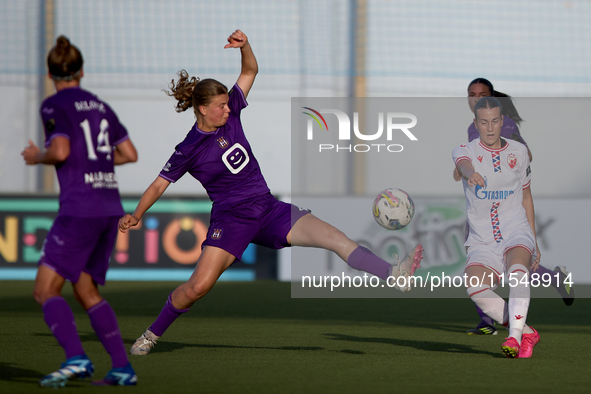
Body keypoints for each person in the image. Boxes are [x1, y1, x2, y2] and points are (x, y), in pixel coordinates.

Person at [118, 30, 424, 356]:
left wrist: (245, 46)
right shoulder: (188, 148)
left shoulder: (231, 113)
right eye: (220, 105)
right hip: (232, 219)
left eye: (226, 104)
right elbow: (158, 184)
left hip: (267, 208)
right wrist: (137, 214)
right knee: (197, 288)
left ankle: (393, 273)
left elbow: (249, 71)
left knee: (335, 238)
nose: (227, 109)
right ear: (203, 109)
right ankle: (152, 334)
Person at [21, 36, 139, 387]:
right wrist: (95, 162)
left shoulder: (53, 105)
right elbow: (129, 153)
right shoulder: (101, 106)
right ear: (82, 71)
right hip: (108, 207)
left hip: (80, 208)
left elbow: (58, 151)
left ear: (50, 73)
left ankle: (75, 358)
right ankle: (122, 368)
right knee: (86, 291)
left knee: (44, 290)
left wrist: (35, 157)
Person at [454, 78, 574, 336]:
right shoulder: (471, 129)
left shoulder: (504, 124)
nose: (475, 98)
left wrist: (503, 163)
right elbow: (466, 158)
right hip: (483, 207)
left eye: (482, 94)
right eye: (471, 94)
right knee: (487, 266)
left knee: (515, 266)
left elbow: (524, 154)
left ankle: (493, 322)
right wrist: (465, 170)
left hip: (504, 207)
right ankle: (552, 281)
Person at [453, 97, 540, 358]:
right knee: (473, 286)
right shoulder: (463, 150)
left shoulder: (519, 152)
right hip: (482, 239)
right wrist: (470, 174)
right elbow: (462, 165)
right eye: (483, 122)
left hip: (516, 229)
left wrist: (534, 242)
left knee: (517, 272)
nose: (490, 128)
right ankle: (525, 331)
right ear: (476, 124)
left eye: (494, 121)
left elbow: (526, 196)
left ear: (502, 121)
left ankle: (514, 338)